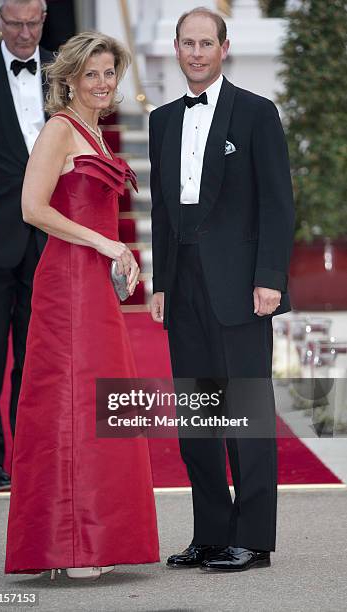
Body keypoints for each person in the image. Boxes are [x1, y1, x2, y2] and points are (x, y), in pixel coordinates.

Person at [5, 31, 159, 579]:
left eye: (109, 73)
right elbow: (32, 208)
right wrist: (105, 244)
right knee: (73, 402)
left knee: (100, 402)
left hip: (94, 281)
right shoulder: (59, 129)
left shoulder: (94, 131)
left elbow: (95, 213)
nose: (102, 83)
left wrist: (122, 256)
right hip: (67, 283)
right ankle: (71, 544)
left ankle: (90, 536)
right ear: (68, 79)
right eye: (91, 74)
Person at [149, 7, 294, 572]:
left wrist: (270, 279)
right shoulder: (162, 119)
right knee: (198, 419)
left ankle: (252, 538)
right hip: (182, 286)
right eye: (188, 43)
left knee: (247, 416)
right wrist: (161, 283)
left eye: (206, 43)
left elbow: (278, 205)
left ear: (224, 47)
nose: (196, 53)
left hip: (241, 286)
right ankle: (210, 533)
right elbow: (161, 209)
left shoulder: (257, 114)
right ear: (177, 49)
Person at [0, 0, 51, 490]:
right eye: (15, 23)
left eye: (33, 22)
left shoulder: (66, 73)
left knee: (36, 352)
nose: (24, 33)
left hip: (48, 235)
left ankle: (36, 451)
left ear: (44, 18)